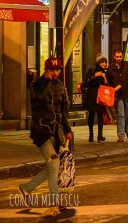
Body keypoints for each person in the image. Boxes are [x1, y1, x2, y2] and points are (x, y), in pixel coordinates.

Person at [19, 57, 72, 217]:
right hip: (40, 131)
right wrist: (46, 81)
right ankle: (54, 203)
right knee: (54, 162)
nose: (55, 73)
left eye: (57, 70)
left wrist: (68, 130)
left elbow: (63, 112)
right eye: (52, 70)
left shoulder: (61, 87)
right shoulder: (37, 85)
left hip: (55, 132)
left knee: (52, 166)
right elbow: (38, 98)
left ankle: (26, 188)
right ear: (46, 70)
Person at [83, 54, 110, 142]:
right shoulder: (91, 71)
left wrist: (105, 78)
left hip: (101, 97)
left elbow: (107, 86)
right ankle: (91, 134)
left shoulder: (105, 73)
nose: (103, 66)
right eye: (101, 65)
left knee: (100, 115)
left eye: (105, 65)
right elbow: (86, 82)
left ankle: (100, 134)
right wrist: (95, 76)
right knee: (91, 114)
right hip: (92, 96)